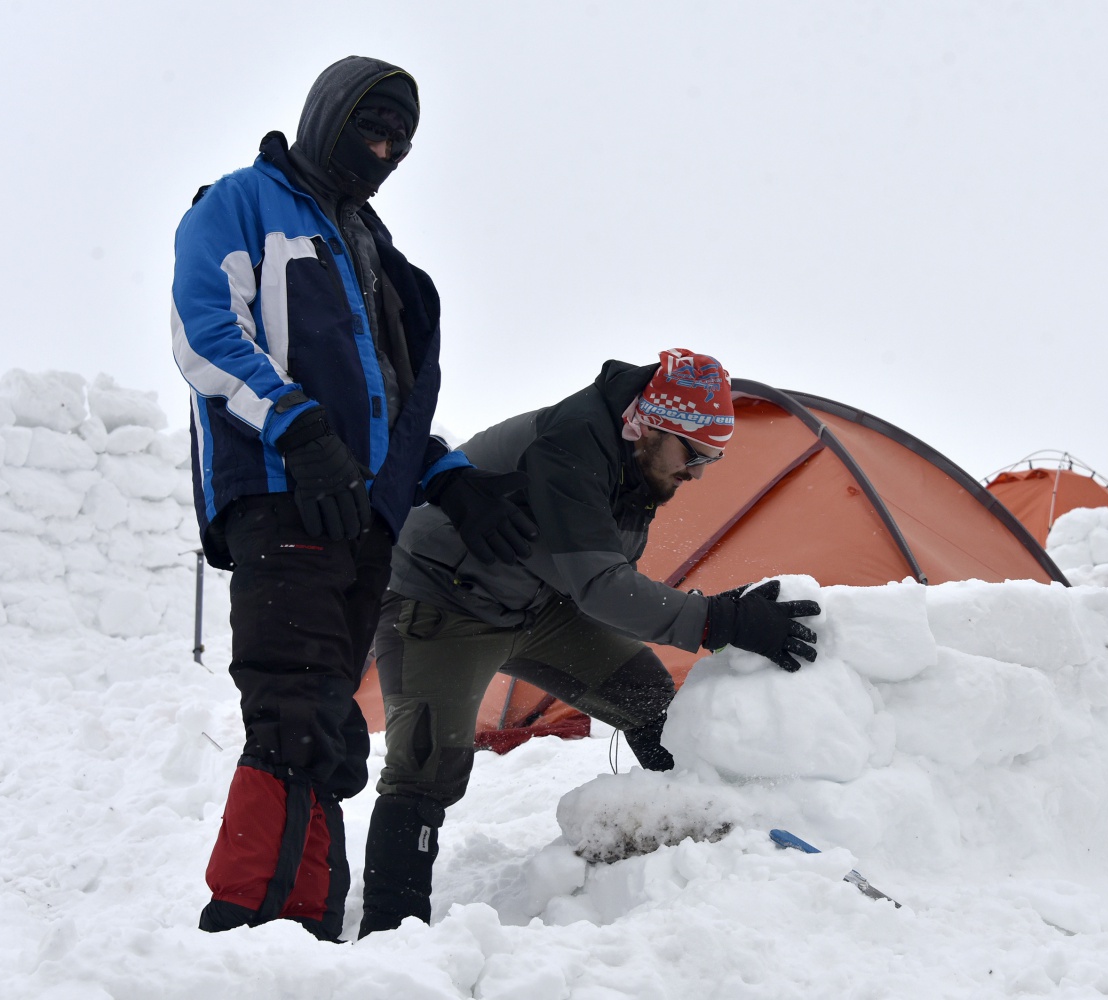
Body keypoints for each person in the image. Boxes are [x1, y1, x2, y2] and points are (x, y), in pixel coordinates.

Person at [170, 55, 536, 941]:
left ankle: (310, 931)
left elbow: (385, 399)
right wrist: (297, 429)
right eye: (370, 126)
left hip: (359, 520)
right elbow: (207, 330)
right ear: (326, 115)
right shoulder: (241, 204)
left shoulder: (369, 247)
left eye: (399, 140)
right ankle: (248, 927)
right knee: (292, 715)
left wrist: (441, 476)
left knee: (332, 731)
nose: (383, 148)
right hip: (281, 494)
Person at [358, 348, 822, 936]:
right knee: (427, 765)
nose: (700, 472)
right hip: (443, 600)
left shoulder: (640, 458)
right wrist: (723, 621)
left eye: (714, 457)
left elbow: (596, 574)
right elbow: (603, 588)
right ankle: (390, 940)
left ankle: (690, 845)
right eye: (695, 453)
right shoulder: (573, 443)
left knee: (646, 693)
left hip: (536, 603)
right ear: (653, 425)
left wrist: (717, 615)